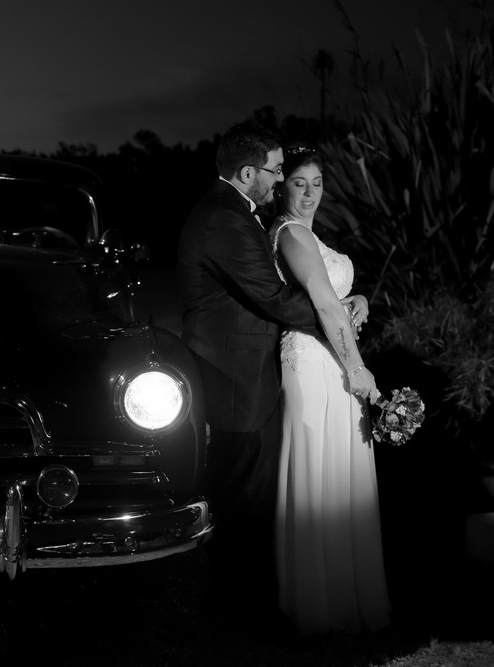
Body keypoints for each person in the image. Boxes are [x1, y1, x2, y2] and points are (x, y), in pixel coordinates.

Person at [177, 121, 368, 619]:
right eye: (278, 171)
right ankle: (239, 607)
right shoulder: (225, 218)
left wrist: (344, 306)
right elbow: (273, 296)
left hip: (249, 371)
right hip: (234, 374)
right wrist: (338, 318)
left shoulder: (237, 214)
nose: (282, 181)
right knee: (242, 498)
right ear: (248, 172)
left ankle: (249, 598)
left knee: (254, 494)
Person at [269, 143, 391, 635]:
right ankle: (315, 604)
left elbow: (332, 293)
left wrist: (357, 297)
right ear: (282, 187)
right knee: (320, 471)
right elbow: (320, 304)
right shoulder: (290, 233)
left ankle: (346, 595)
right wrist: (358, 368)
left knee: (343, 471)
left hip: (332, 356)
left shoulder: (311, 236)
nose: (309, 194)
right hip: (313, 363)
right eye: (299, 183)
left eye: (317, 184)